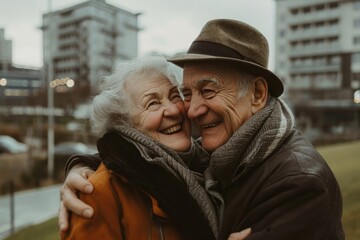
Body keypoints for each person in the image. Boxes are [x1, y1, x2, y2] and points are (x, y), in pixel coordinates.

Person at [60, 19, 344, 239]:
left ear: (257, 94)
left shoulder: (299, 184)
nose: (190, 110)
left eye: (207, 91)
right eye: (187, 93)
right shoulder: (220, 158)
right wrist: (84, 166)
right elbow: (136, 162)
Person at [62, 56, 222, 239]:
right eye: (152, 103)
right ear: (123, 123)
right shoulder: (98, 192)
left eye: (174, 96)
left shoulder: (211, 168)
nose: (174, 110)